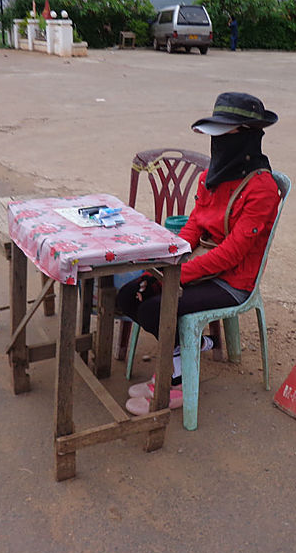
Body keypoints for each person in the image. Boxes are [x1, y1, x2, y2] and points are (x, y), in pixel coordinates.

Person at [116, 92, 280, 415]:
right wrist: (165, 267)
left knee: (156, 309)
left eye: (225, 135)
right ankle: (193, 347)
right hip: (200, 268)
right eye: (215, 134)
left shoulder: (261, 188)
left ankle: (174, 380)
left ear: (247, 137)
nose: (217, 142)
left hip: (232, 283)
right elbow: (193, 225)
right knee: (128, 296)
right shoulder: (213, 177)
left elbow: (231, 256)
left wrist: (176, 277)